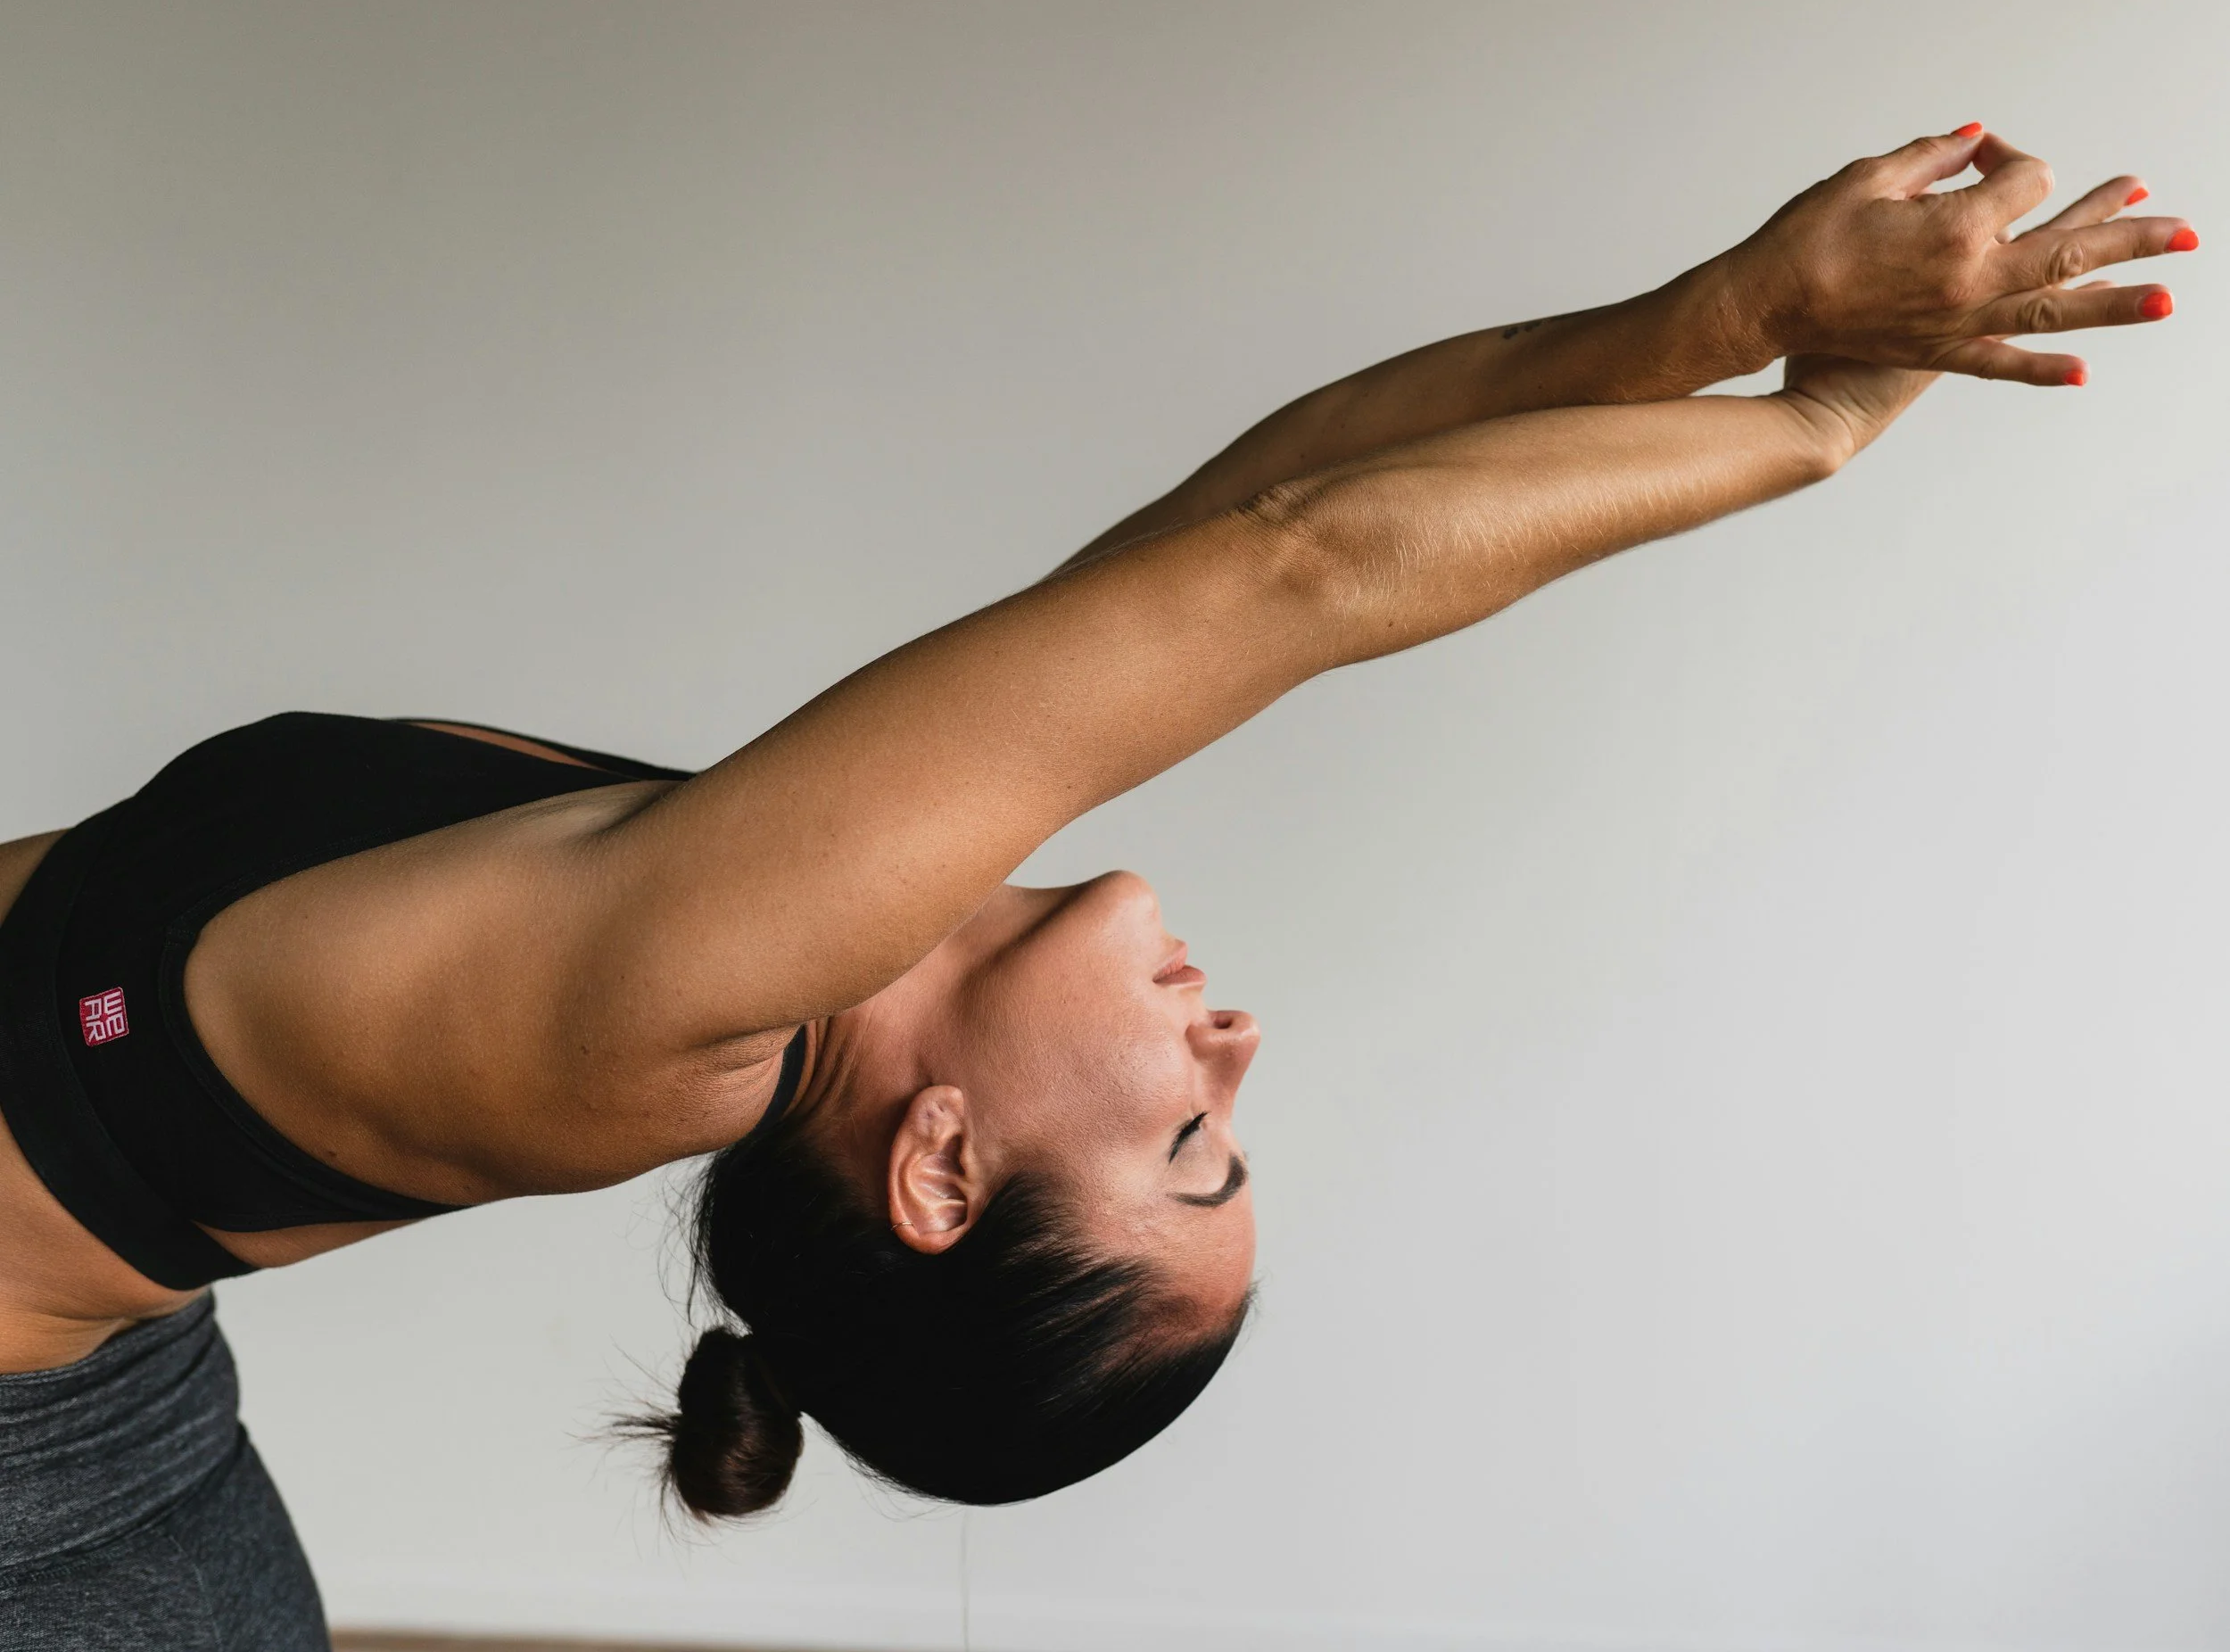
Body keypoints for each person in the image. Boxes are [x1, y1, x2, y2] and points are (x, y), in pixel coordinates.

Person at [0, 128, 2192, 1646]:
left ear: (939, 1170)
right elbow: (1287, 488)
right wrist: (1727, 309)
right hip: (114, 1398)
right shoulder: (819, 903)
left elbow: (1302, 577)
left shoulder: (673, 1016)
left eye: (1187, 1137)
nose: (1233, 1040)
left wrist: (1822, 429)